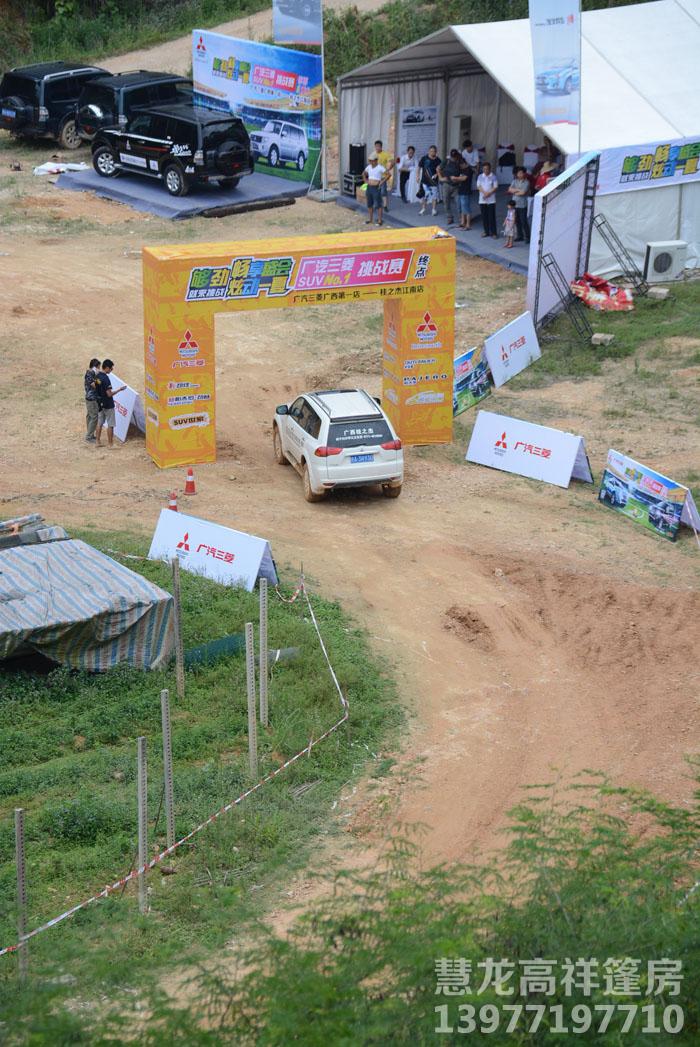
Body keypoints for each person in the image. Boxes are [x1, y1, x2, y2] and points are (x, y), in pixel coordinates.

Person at [94, 359, 127, 449]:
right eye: (111, 368)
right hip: (108, 404)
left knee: (100, 423)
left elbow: (95, 387)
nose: (112, 370)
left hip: (100, 403)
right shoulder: (106, 379)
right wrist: (119, 390)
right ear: (107, 368)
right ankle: (110, 444)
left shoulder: (97, 376)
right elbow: (109, 394)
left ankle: (97, 442)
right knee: (110, 424)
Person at [438, 149, 466, 226]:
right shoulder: (446, 161)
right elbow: (438, 169)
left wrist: (458, 179)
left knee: (458, 202)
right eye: (452, 157)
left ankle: (461, 218)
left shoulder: (460, 161)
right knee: (446, 201)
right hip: (446, 184)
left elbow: (464, 171)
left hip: (456, 185)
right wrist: (440, 178)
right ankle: (449, 217)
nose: (453, 158)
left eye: (455, 157)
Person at [508, 166, 531, 243]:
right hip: (515, 205)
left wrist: (515, 191)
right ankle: (520, 236)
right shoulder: (514, 181)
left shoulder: (527, 182)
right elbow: (509, 190)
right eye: (519, 173)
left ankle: (528, 237)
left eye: (521, 173)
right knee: (517, 221)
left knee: (524, 221)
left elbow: (523, 193)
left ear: (524, 173)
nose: (520, 174)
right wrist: (518, 190)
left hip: (522, 205)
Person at [362, 153, 386, 226]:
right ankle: (370, 219)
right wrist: (365, 181)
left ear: (376, 160)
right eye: (370, 161)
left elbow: (388, 174)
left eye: (372, 160)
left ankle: (379, 220)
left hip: (376, 187)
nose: (371, 162)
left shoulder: (380, 167)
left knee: (378, 204)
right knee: (369, 204)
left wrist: (381, 182)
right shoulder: (369, 167)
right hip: (369, 187)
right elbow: (363, 173)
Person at [417, 145, 441, 217]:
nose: (432, 153)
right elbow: (419, 167)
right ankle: (423, 208)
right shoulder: (424, 158)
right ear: (428, 151)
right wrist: (417, 176)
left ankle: (433, 209)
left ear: (436, 152)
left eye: (433, 151)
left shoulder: (438, 160)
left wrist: (437, 174)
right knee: (424, 195)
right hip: (424, 180)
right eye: (431, 151)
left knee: (434, 195)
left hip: (434, 181)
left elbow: (440, 169)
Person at [476, 161, 498, 238]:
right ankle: (486, 231)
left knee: (491, 216)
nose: (486, 171)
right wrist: (484, 193)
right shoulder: (480, 176)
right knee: (484, 216)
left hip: (491, 200)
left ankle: (494, 233)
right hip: (482, 200)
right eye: (484, 169)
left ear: (490, 169)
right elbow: (478, 186)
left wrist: (488, 193)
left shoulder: (493, 177)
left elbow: (495, 187)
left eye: (487, 169)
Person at [374, 139, 394, 213]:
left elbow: (393, 162)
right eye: (376, 146)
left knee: (383, 192)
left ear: (381, 147)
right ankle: (376, 205)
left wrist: (389, 169)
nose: (377, 148)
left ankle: (385, 206)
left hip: (383, 177)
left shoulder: (385, 154)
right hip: (375, 177)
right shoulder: (373, 154)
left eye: (378, 146)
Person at [84, 357, 101, 443]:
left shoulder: (92, 374)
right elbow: (94, 385)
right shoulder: (89, 374)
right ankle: (89, 436)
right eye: (98, 367)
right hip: (91, 398)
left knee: (90, 416)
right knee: (94, 417)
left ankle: (90, 434)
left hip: (91, 398)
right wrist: (98, 379)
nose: (99, 369)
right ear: (94, 367)